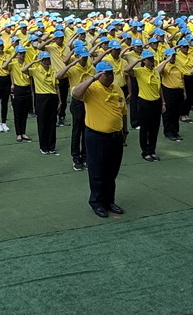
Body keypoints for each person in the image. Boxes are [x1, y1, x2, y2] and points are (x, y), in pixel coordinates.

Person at [70, 58, 129, 217]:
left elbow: (123, 112)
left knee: (112, 171)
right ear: (98, 75)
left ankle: (109, 200)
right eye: (106, 74)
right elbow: (75, 93)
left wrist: (125, 132)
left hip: (115, 136)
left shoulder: (117, 88)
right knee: (97, 171)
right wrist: (93, 78)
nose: (110, 77)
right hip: (97, 136)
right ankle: (97, 202)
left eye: (111, 74)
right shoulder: (92, 89)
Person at [122, 50, 163, 160]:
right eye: (148, 59)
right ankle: (145, 152)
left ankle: (152, 150)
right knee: (145, 128)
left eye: (152, 59)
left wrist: (163, 102)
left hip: (156, 102)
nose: (151, 61)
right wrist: (138, 60)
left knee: (154, 128)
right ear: (144, 61)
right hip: (145, 102)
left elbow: (159, 88)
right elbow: (126, 70)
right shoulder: (140, 71)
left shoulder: (156, 72)